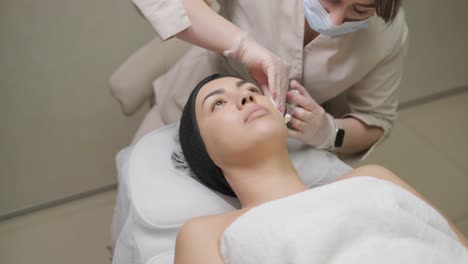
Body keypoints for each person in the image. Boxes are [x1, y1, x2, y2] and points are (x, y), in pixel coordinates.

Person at [174, 74, 467, 263]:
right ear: (205, 152)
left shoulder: (372, 177)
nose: (247, 97)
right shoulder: (206, 233)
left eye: (251, 89)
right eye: (218, 104)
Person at [130, 0, 408, 160]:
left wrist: (329, 131)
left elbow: (376, 119)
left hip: (282, 149)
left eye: (359, 10)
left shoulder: (389, 35)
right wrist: (242, 46)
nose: (335, 21)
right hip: (182, 112)